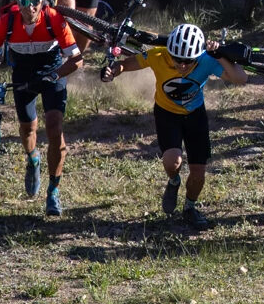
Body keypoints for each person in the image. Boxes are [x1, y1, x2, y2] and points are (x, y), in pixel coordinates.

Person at [102, 22, 250, 228]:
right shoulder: (158, 55)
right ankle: (173, 182)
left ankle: (190, 207)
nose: (181, 65)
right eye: (177, 59)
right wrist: (114, 70)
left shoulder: (207, 60)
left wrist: (220, 55)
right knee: (172, 162)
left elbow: (241, 79)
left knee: (198, 175)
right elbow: (127, 64)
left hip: (195, 116)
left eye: (187, 61)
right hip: (166, 114)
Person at [0, 0, 83, 218]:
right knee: (28, 129)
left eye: (34, 1)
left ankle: (53, 192)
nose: (29, 7)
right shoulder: (8, 21)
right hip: (23, 75)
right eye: (24, 1)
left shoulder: (54, 19)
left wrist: (56, 75)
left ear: (43, 0)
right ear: (17, 0)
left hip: (52, 72)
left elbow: (77, 60)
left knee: (54, 127)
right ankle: (33, 159)